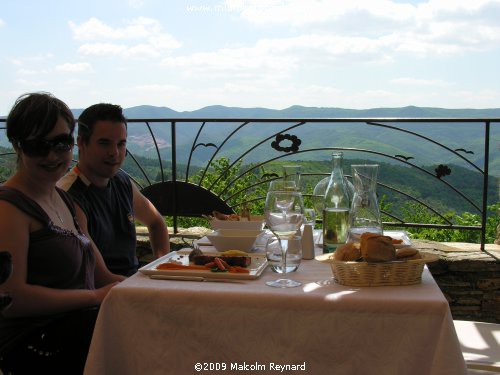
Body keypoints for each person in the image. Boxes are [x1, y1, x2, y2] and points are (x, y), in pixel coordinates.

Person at [0, 92, 125, 374]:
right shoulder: (8, 208)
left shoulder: (67, 203)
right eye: (37, 146)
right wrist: (93, 298)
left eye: (61, 143)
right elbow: (10, 298)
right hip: (34, 347)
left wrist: (158, 289)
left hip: (79, 332)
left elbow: (103, 278)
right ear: (18, 146)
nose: (51, 155)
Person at [58, 103, 170, 277]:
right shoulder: (70, 195)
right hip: (101, 296)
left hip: (130, 285)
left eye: (121, 144)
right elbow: (101, 277)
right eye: (104, 143)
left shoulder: (121, 181)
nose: (114, 152)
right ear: (81, 142)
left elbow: (156, 223)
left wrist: (161, 266)